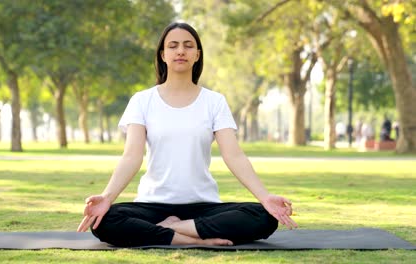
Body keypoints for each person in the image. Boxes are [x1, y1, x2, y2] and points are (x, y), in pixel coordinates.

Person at [77, 22, 297, 247]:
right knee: (104, 221)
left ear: (197, 55)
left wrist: (265, 197)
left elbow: (234, 156)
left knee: (264, 216)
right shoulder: (142, 101)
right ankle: (191, 239)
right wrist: (106, 197)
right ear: (163, 55)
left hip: (203, 207)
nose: (180, 51)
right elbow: (131, 157)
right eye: (173, 46)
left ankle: (171, 229)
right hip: (153, 205)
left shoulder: (214, 102)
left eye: (188, 46)